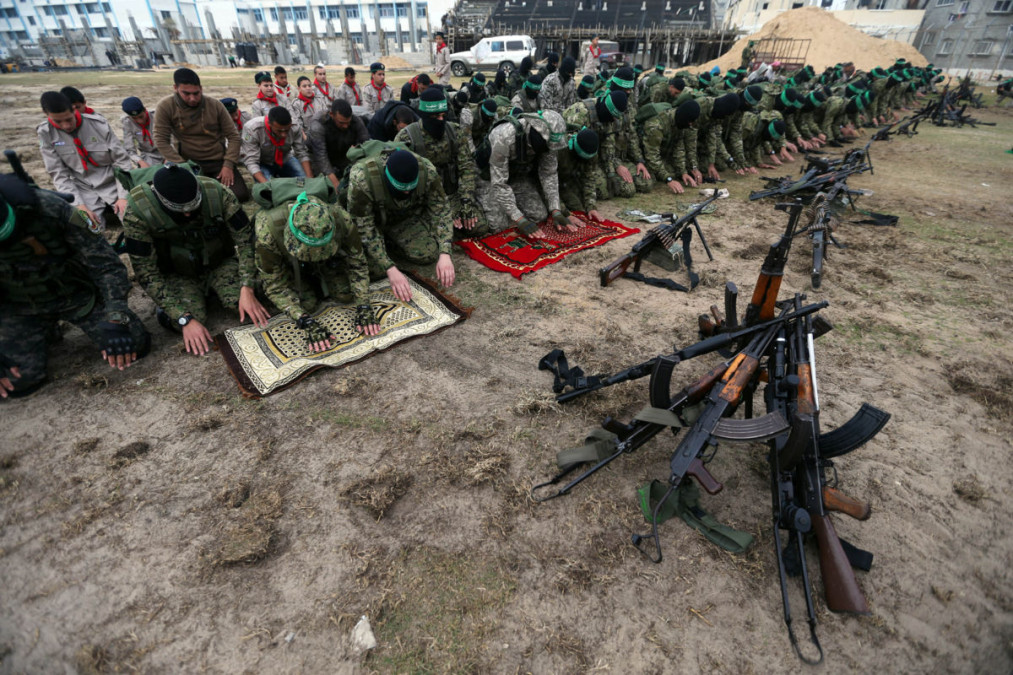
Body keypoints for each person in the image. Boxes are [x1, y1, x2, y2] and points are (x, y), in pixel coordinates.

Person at [0, 172, 150, 398]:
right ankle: (43, 331)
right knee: (15, 381)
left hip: (77, 295)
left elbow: (106, 265)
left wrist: (115, 316)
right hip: (21, 307)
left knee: (133, 342)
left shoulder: (51, 209)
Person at [119, 164, 269, 356]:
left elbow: (246, 241)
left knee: (244, 303)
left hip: (219, 263)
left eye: (192, 205)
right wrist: (183, 318)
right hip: (178, 274)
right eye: (179, 209)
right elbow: (146, 272)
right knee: (188, 319)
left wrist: (247, 287)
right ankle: (176, 306)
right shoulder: (138, 212)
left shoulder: (218, 193)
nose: (188, 214)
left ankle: (218, 291)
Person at [255, 192, 379, 352]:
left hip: (327, 261)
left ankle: (320, 278)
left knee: (345, 294)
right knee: (307, 305)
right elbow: (274, 286)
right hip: (289, 264)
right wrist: (304, 320)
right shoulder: (267, 233)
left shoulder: (342, 219)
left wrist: (364, 305)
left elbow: (357, 264)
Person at [345, 148, 455, 302]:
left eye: (410, 190)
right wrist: (389, 267)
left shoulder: (427, 171)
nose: (406, 194)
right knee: (373, 271)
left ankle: (391, 243)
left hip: (400, 218)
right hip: (373, 224)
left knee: (428, 253)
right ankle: (385, 249)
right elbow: (363, 228)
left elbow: (441, 210)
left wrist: (445, 252)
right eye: (401, 190)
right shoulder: (362, 179)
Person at [395, 88, 488, 238]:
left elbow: (466, 168)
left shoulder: (454, 131)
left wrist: (466, 203)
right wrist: (442, 209)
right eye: (435, 116)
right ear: (424, 115)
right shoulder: (407, 138)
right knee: (437, 239)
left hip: (453, 195)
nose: (440, 120)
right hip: (424, 202)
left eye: (443, 115)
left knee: (480, 227)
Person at [37, 91, 132, 231]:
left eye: (69, 119)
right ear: (46, 114)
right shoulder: (46, 133)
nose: (66, 126)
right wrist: (79, 205)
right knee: (88, 228)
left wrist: (123, 197)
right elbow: (59, 174)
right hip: (83, 187)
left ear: (74, 109)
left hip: (112, 180)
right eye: (58, 121)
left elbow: (122, 161)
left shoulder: (98, 124)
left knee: (134, 219)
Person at [474, 109, 575, 238]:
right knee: (499, 226)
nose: (549, 150)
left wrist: (555, 210)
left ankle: (508, 206)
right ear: (537, 132)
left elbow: (549, 173)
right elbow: (499, 184)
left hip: (515, 175)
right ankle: (477, 199)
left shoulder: (547, 142)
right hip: (488, 176)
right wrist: (519, 219)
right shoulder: (504, 136)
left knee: (539, 215)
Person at [154, 68, 249, 202]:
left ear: (201, 88)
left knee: (239, 195)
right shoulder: (165, 106)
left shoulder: (215, 105)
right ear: (175, 88)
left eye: (196, 93)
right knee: (185, 197)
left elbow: (233, 137)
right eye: (186, 93)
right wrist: (182, 166)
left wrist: (228, 165)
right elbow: (161, 140)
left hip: (218, 161)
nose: (192, 98)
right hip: (188, 163)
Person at [639, 99, 701, 195]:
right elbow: (652, 156)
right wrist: (668, 179)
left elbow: (678, 149)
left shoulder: (679, 123)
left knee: (674, 173)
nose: (690, 125)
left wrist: (683, 172)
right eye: (690, 122)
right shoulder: (656, 126)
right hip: (644, 157)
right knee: (646, 183)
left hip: (659, 156)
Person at [308, 98, 370, 189]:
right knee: (325, 186)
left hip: (342, 154)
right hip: (318, 156)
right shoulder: (318, 124)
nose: (345, 126)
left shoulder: (356, 120)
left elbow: (366, 143)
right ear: (331, 115)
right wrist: (335, 183)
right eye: (341, 123)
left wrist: (356, 150)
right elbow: (321, 156)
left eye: (348, 123)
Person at [241, 106, 312, 183]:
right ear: (269, 124)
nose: (283, 135)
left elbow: (302, 153)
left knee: (303, 181)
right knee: (267, 188)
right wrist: (267, 185)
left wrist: (309, 179)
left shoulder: (295, 127)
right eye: (279, 131)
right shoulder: (252, 129)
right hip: (262, 163)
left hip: (285, 158)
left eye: (286, 130)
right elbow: (251, 161)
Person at [557, 128, 603, 221]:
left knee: (578, 208)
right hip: (549, 183)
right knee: (542, 214)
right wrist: (563, 212)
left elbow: (589, 179)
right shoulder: (560, 149)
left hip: (567, 181)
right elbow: (548, 182)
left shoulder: (592, 153)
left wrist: (591, 207)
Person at [119, 96, 163, 168]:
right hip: (149, 155)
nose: (140, 121)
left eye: (141, 117)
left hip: (166, 151)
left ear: (145, 110)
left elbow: (173, 139)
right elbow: (129, 150)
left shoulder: (158, 116)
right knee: (147, 173)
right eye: (134, 118)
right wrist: (140, 161)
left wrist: (169, 158)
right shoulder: (127, 123)